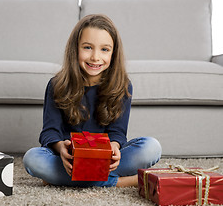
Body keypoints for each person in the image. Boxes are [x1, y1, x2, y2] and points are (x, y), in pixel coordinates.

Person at [23, 14, 162, 187]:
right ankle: (120, 182)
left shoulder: (122, 86)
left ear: (114, 53)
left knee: (151, 147)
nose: (95, 57)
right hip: (70, 160)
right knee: (33, 159)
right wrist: (61, 148)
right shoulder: (57, 85)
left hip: (104, 159)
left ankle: (62, 179)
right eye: (88, 47)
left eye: (105, 49)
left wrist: (115, 147)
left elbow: (118, 133)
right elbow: (49, 132)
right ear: (75, 49)